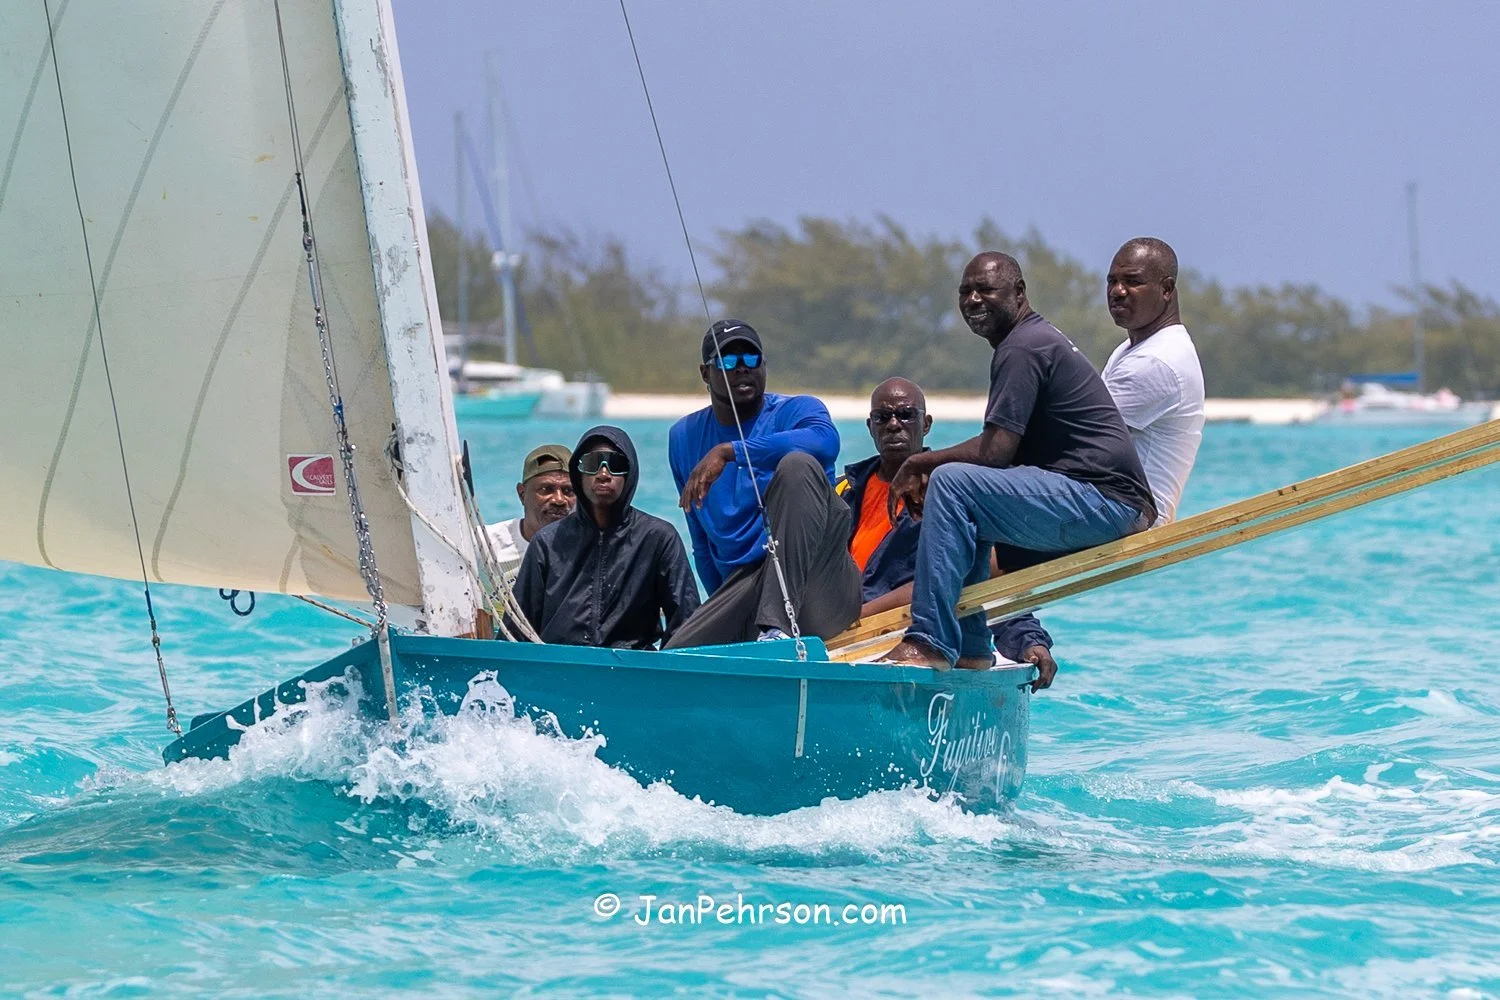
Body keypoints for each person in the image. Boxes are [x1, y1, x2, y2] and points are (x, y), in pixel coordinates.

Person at [881, 252, 1156, 677]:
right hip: (1098, 500)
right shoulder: (1027, 342)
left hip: (1107, 503)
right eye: (965, 292)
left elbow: (996, 452)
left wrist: (923, 461)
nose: (973, 300)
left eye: (986, 290)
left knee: (955, 483)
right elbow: (998, 456)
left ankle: (928, 640)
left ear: (1019, 293)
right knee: (965, 495)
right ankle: (971, 646)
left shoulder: (1023, 347)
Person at [836, 377, 1058, 677]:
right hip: (841, 636)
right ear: (870, 425)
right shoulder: (843, 491)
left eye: (905, 415)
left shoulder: (953, 496)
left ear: (925, 424)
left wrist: (1029, 641)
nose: (893, 424)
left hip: (904, 639)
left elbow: (984, 577)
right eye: (882, 417)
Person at [664, 320, 862, 647]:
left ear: (764, 365)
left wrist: (730, 452)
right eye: (727, 361)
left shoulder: (798, 409)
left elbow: (826, 442)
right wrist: (724, 613)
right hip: (750, 587)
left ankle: (778, 627)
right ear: (705, 373)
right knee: (677, 655)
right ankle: (762, 632)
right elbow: (701, 543)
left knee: (797, 465)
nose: (742, 368)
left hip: (822, 584)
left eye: (751, 358)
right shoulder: (683, 438)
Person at [510, 427, 699, 649]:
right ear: (578, 474)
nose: (603, 474)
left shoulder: (658, 538)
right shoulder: (547, 542)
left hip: (632, 670)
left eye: (615, 464)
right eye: (592, 463)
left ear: (629, 474)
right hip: (561, 668)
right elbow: (518, 629)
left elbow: (686, 623)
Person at [1103, 237, 1206, 525]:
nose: (1117, 291)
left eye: (1132, 282)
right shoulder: (1133, 350)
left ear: (1166, 289)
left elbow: (1077, 437)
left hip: (1130, 514)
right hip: (1115, 502)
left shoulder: (1156, 360)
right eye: (1112, 281)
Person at [485, 443, 575, 583]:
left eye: (568, 491)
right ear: (522, 494)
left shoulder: (587, 553)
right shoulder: (485, 544)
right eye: (546, 489)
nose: (559, 500)